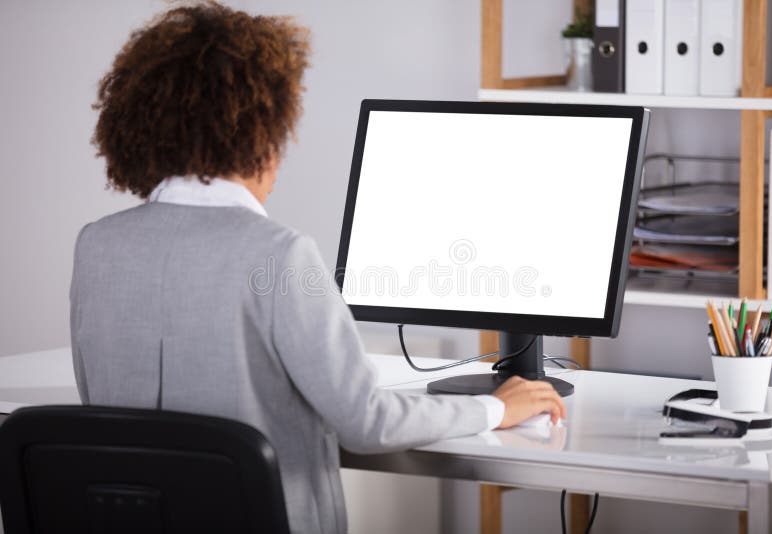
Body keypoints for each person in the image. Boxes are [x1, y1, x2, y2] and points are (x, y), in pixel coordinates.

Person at [71, 3, 566, 533]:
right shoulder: (279, 254)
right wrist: (496, 408)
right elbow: (366, 422)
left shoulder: (97, 245)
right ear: (262, 133)